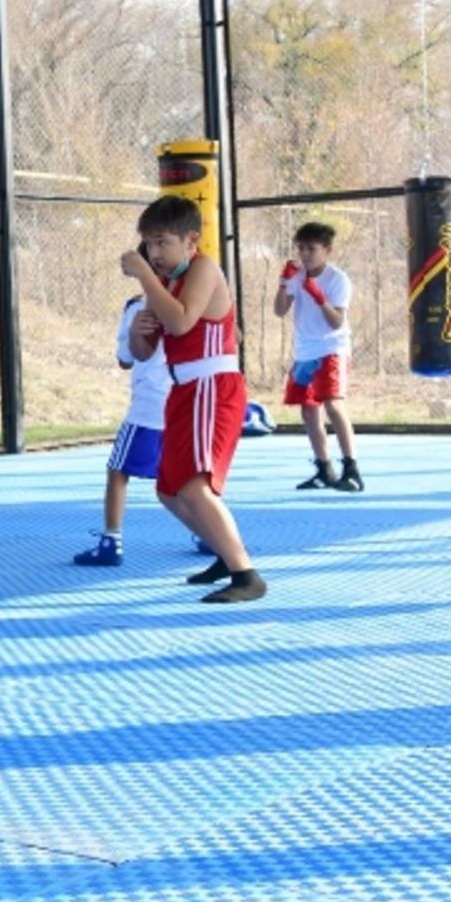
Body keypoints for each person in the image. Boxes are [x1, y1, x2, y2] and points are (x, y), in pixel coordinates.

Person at [121, 195, 265, 603]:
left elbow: (183, 322)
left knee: (194, 486)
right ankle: (225, 553)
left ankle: (245, 574)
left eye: (163, 242)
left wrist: (144, 277)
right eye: (148, 244)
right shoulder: (163, 283)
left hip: (212, 387)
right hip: (183, 389)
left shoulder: (203, 268)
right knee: (167, 488)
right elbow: (146, 351)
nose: (154, 252)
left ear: (190, 241)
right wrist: (136, 329)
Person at [72, 286, 171, 567]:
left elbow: (125, 360)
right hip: (185, 404)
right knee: (190, 477)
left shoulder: (138, 307)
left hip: (149, 408)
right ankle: (209, 535)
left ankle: (111, 540)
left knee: (117, 470)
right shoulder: (191, 303)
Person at [274, 222, 362, 492]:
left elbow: (336, 322)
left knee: (333, 405)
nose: (305, 254)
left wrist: (318, 297)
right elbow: (279, 311)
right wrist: (283, 283)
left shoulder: (338, 280)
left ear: (327, 250)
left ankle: (352, 468)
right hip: (305, 351)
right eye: (301, 248)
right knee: (309, 410)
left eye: (311, 248)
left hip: (331, 348)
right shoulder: (297, 275)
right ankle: (324, 469)